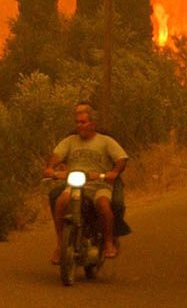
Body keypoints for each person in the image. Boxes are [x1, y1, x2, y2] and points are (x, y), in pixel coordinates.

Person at [44, 101, 128, 263]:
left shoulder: (105, 141)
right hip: (75, 183)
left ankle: (109, 242)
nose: (80, 126)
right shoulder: (70, 141)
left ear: (93, 123)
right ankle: (60, 246)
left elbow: (122, 158)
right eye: (77, 123)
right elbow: (57, 154)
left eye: (83, 122)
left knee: (104, 205)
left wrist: (113, 172)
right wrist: (50, 168)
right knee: (61, 202)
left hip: (99, 185)